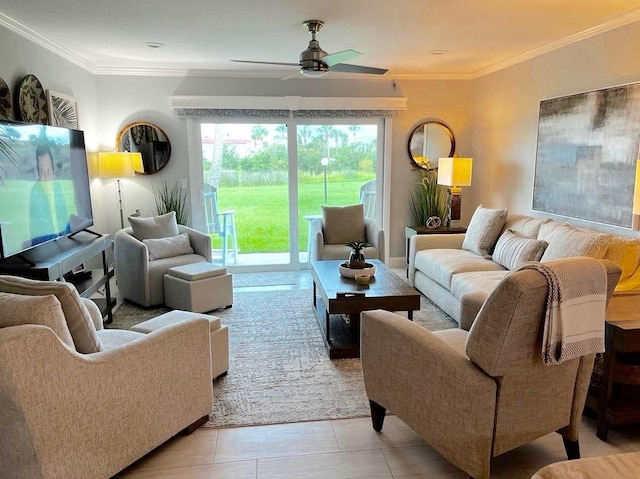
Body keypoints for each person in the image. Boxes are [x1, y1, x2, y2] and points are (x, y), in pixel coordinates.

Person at [29, 144, 70, 246]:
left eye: (49, 171)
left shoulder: (57, 187)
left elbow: (64, 218)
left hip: (61, 244)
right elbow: (40, 233)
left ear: (53, 169)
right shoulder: (35, 193)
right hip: (44, 249)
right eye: (42, 172)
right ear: (38, 172)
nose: (47, 177)